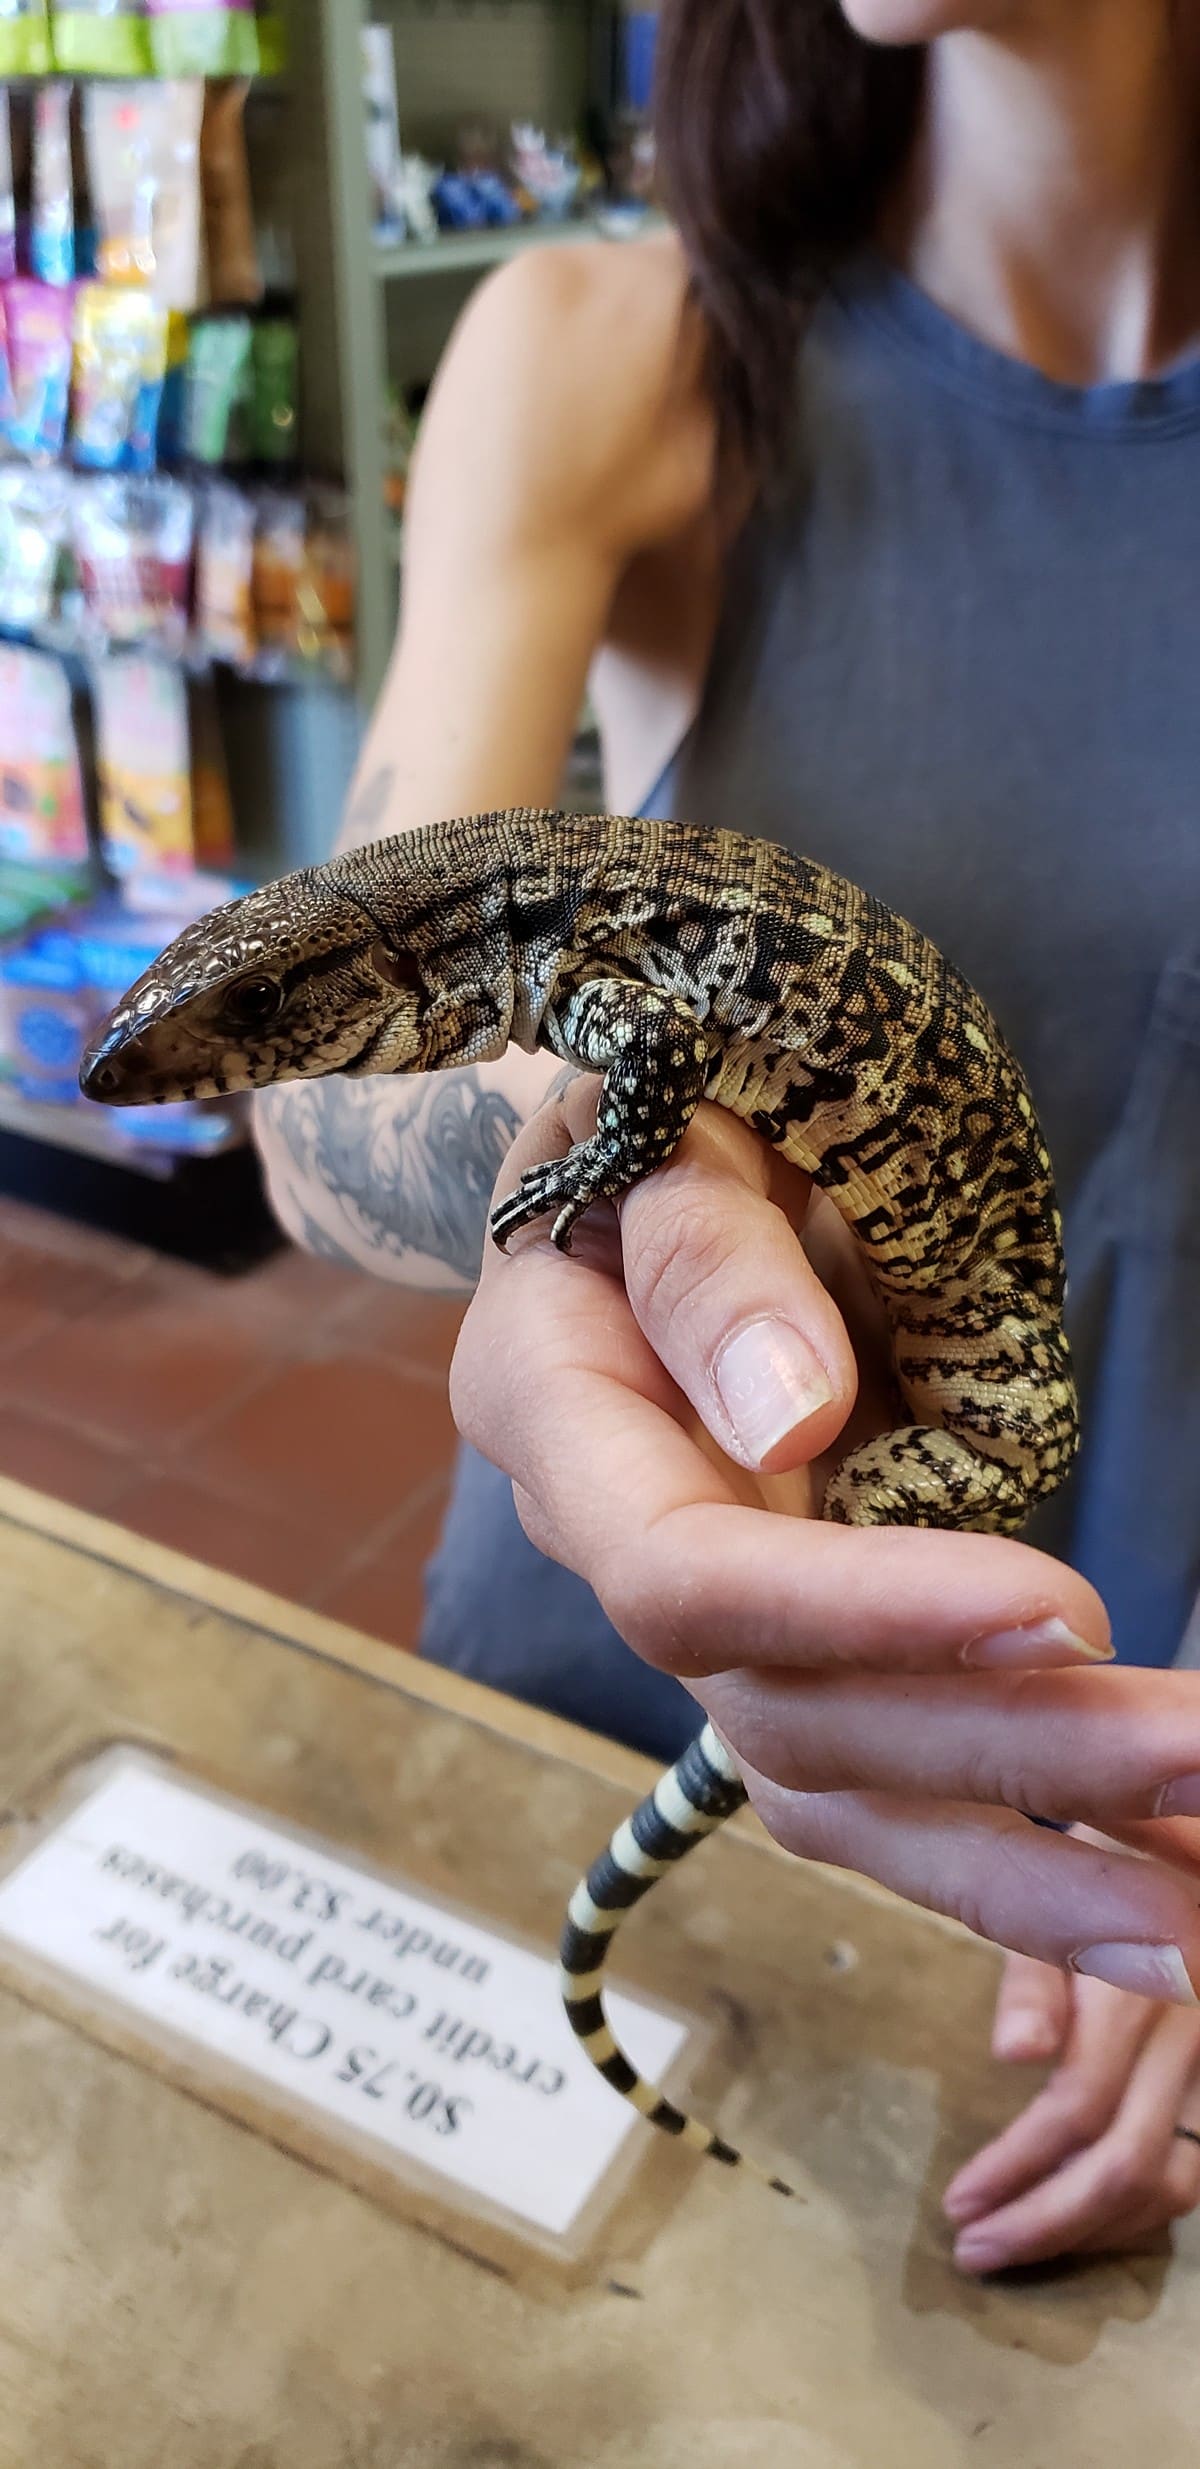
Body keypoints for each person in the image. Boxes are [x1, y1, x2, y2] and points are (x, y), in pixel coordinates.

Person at [256, 0, 1200, 2273]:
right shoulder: (612, 345)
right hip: (601, 1643)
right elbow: (317, 1080)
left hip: (1077, 1754)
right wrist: (611, 1166)